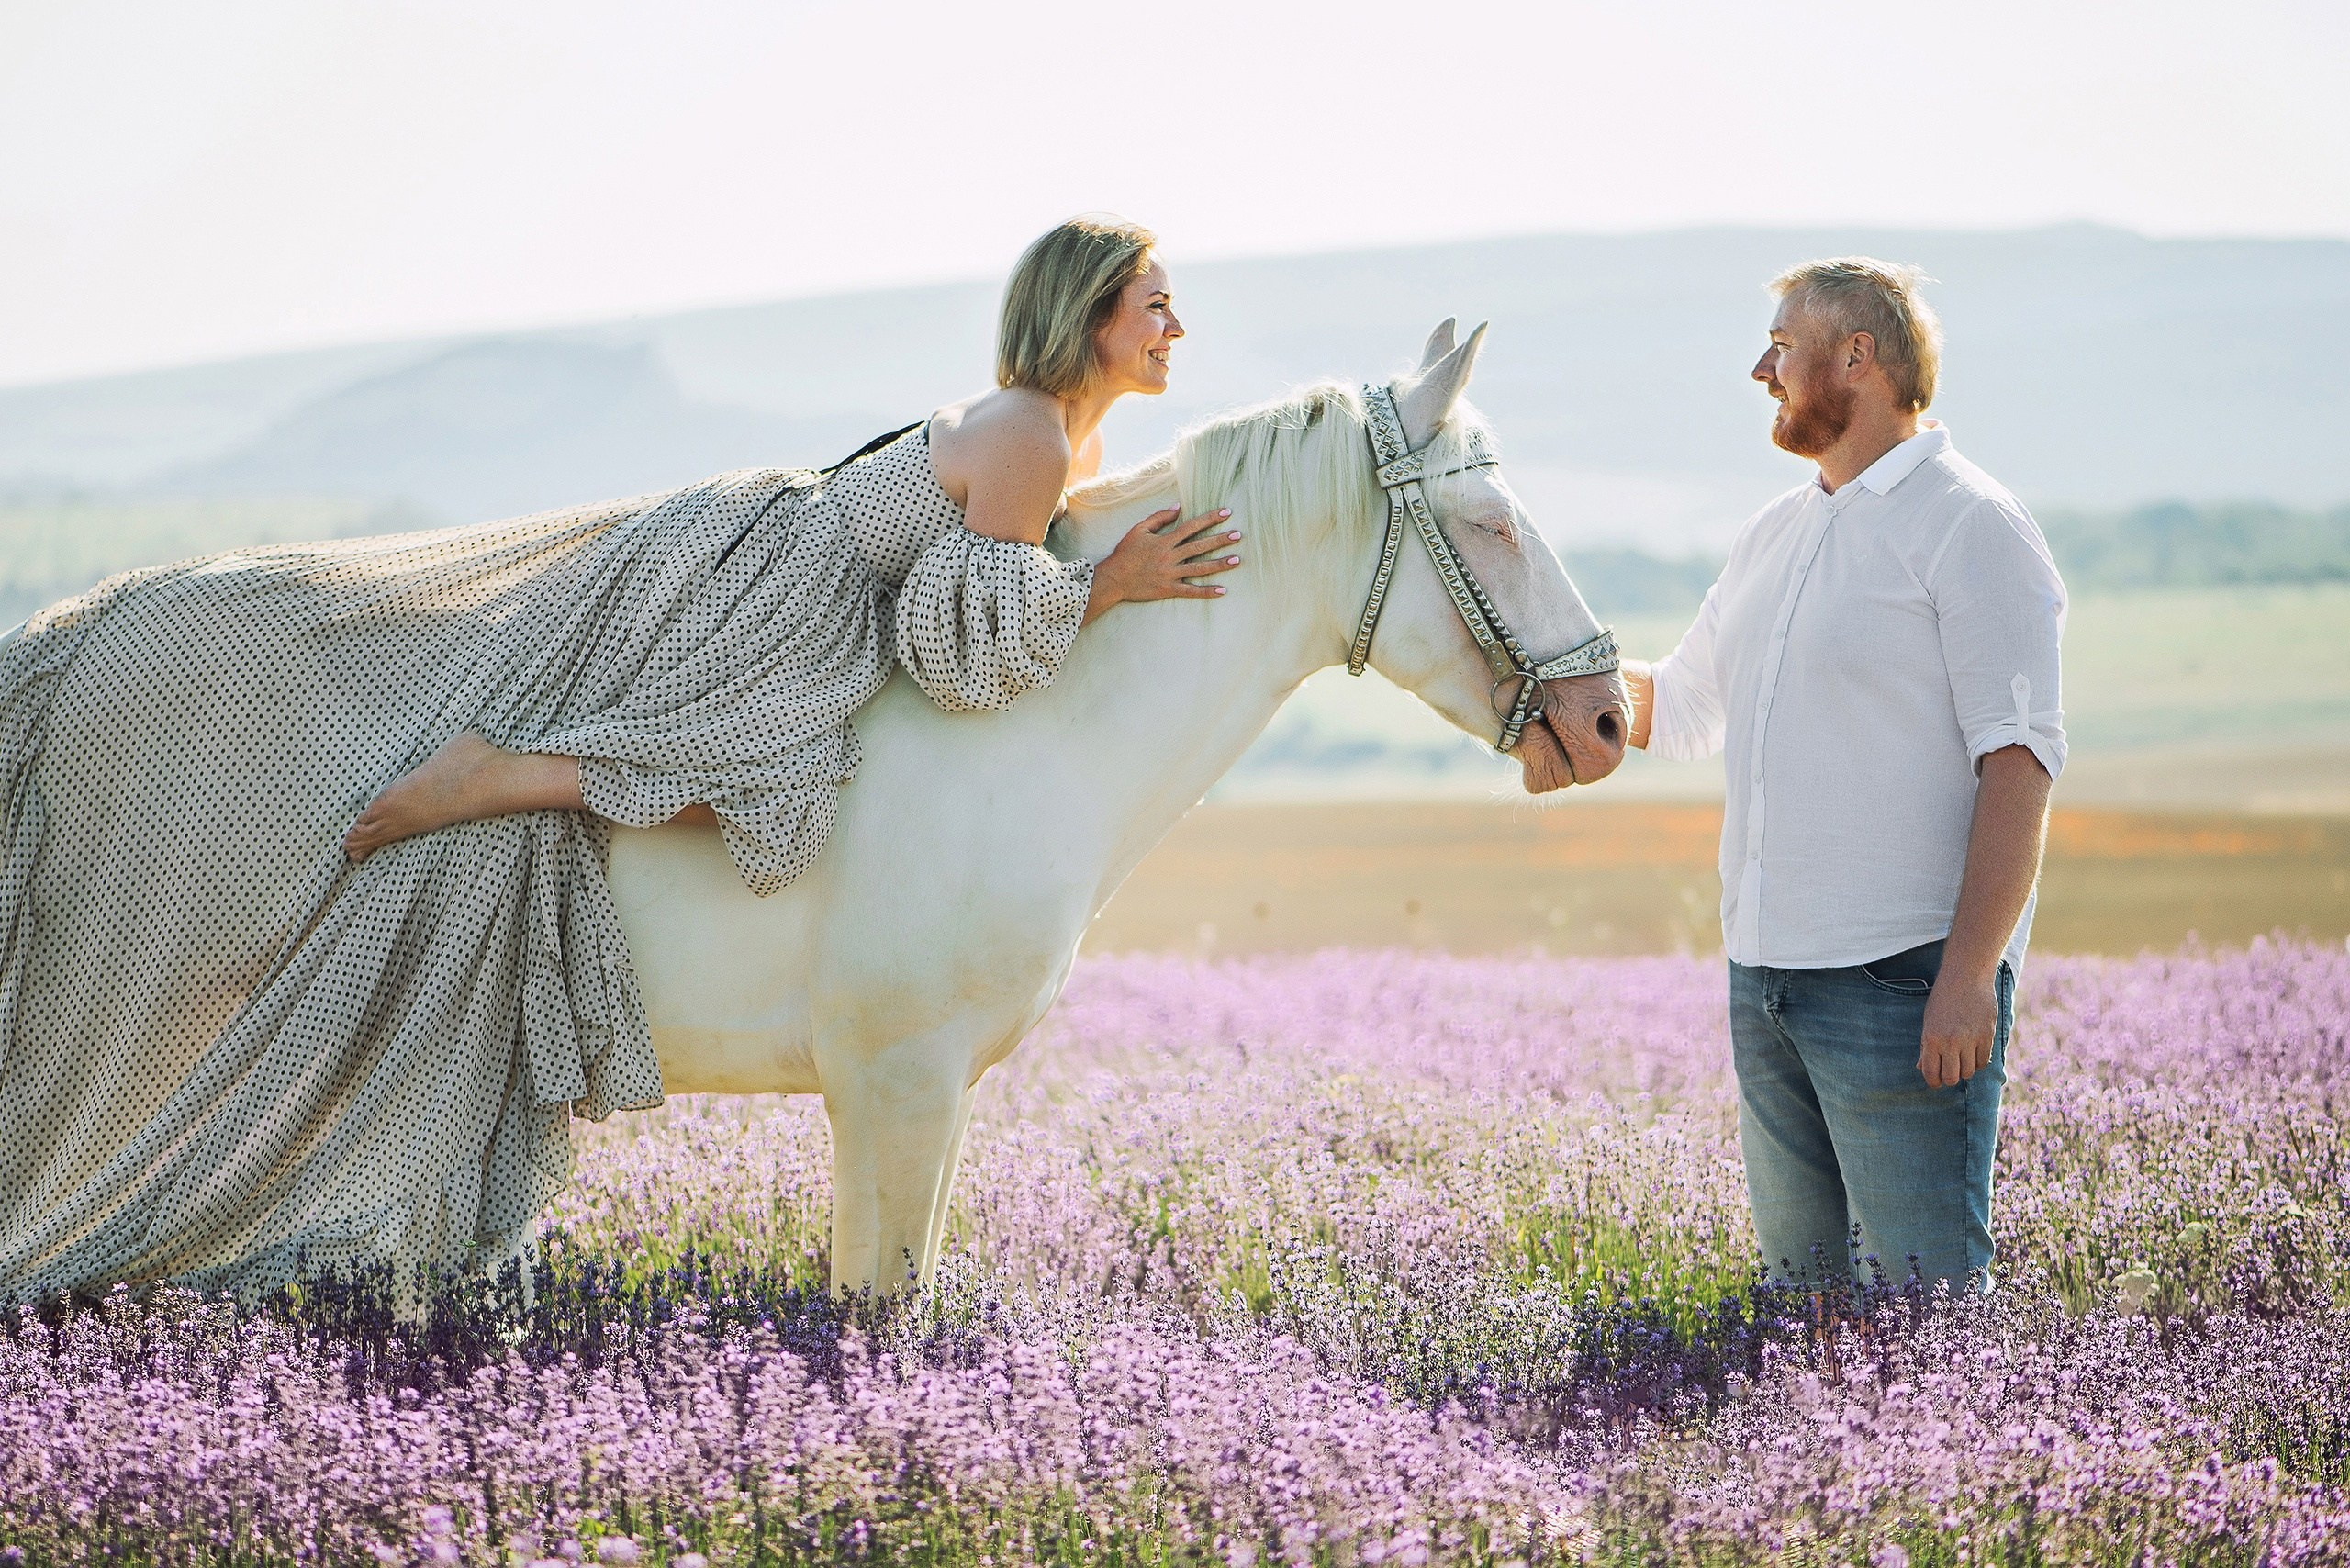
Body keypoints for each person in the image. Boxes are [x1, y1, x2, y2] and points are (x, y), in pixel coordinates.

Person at [0, 215, 1234, 1304]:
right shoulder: (1027, 434)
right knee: (766, 785)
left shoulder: (1047, 436)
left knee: (750, 786)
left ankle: (504, 772)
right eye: (1155, 301)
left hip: (766, 550)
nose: (1175, 321)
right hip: (787, 592)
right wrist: (1107, 592)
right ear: (1093, 315)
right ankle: (492, 777)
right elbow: (961, 645)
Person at [1623, 258, 2065, 1293]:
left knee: (1923, 1309)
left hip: (1899, 985)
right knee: (1802, 1316)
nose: (1759, 369)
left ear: (1855, 356)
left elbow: (2020, 763)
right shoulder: (1773, 532)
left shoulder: (1972, 524)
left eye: (1781, 345)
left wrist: (1967, 979)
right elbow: (1681, 706)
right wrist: (1534, 675)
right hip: (1765, 979)